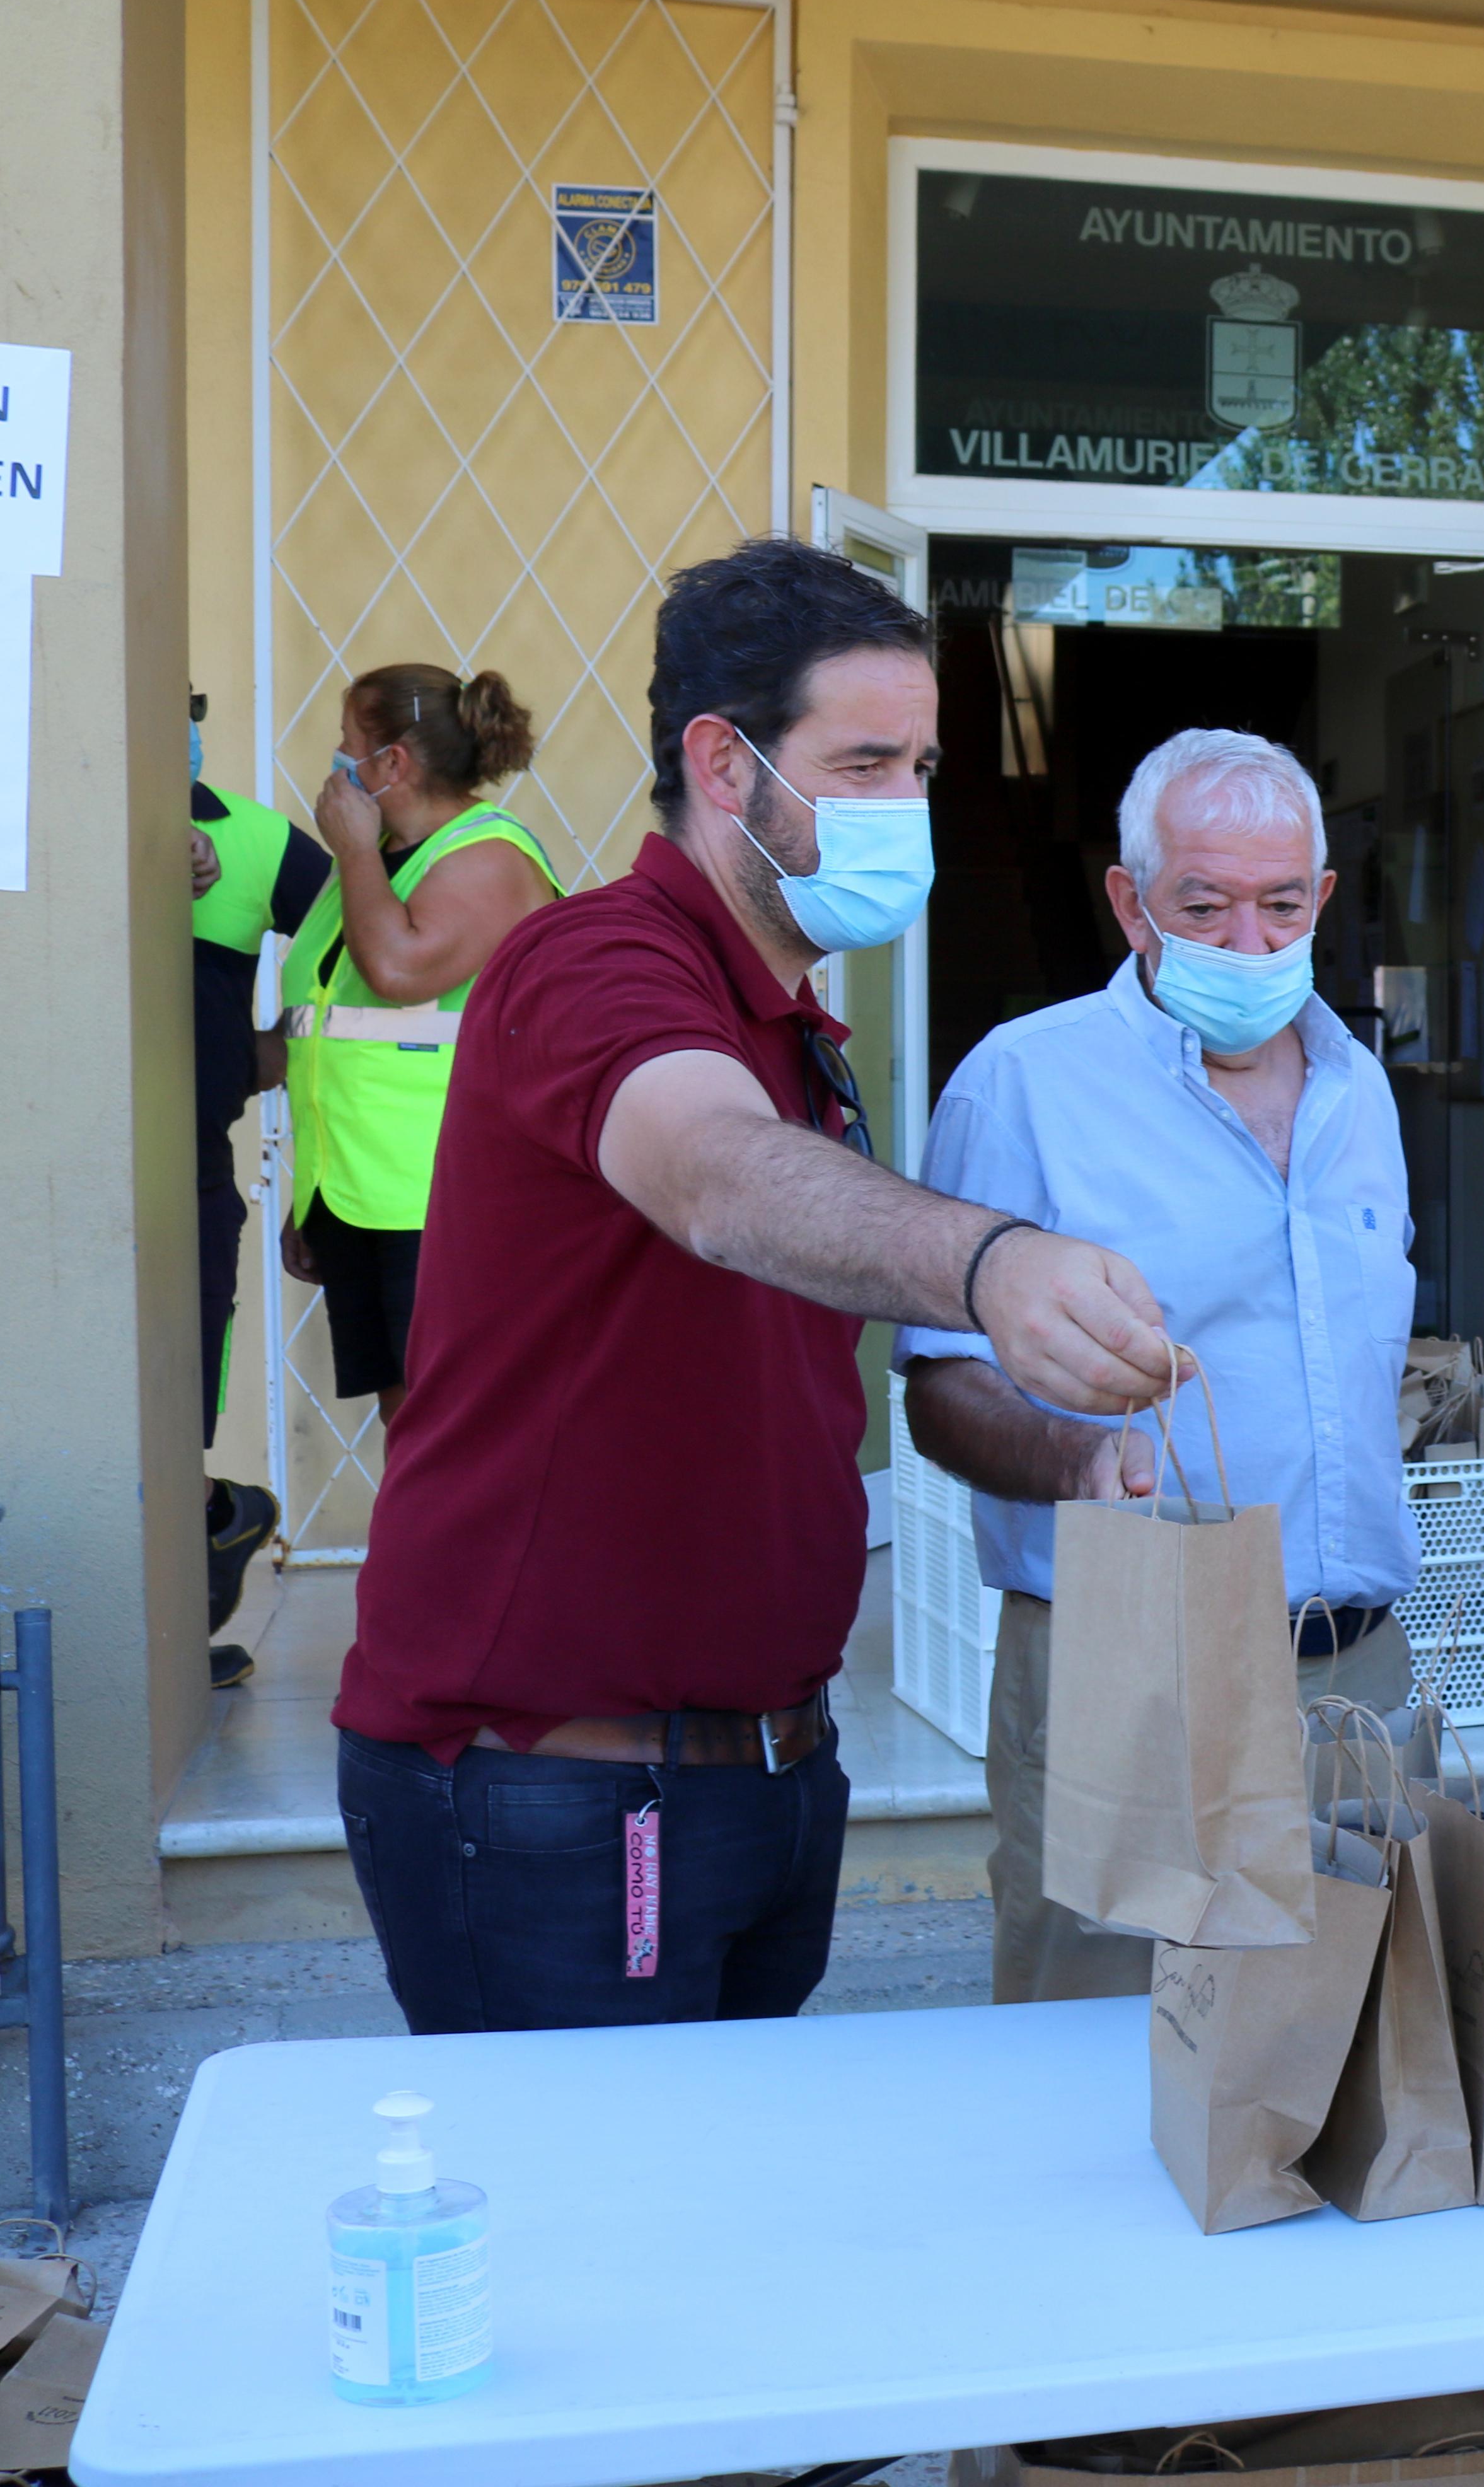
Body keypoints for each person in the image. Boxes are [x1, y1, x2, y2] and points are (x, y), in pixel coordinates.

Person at [332, 538, 1183, 2036]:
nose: (908, 807)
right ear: (723, 765)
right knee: (608, 2246)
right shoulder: (593, 963)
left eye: (920, 764)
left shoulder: (798, 1027)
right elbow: (717, 1174)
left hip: (770, 1767)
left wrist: (1073, 1451)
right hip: (564, 1783)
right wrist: (990, 1261)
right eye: (863, 762)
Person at [901, 727, 1420, 2005]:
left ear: (1323, 900)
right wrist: (1080, 1456)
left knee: (1355, 2051)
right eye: (1206, 905)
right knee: (1091, 2071)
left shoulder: (1363, 1092)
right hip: (1129, 1665)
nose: (1250, 945)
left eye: (1282, 905)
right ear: (1132, 903)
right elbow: (938, 1387)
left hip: (1355, 1669)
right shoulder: (1021, 1083)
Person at [276, 661, 562, 1430]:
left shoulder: (486, 857)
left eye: (347, 747)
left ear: (392, 763)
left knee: (451, 1433)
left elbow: (398, 970)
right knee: (408, 1430)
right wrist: (311, 1195)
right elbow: (325, 1026)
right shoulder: (368, 864)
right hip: (361, 1195)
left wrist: (356, 853)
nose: (336, 766)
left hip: (448, 1199)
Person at [187, 698, 330, 1680]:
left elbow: (356, 941)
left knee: (177, 1388)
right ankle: (216, 1524)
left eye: (186, 713)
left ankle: (185, 1607)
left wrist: (266, 1049)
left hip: (191, 1172)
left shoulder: (256, 840)